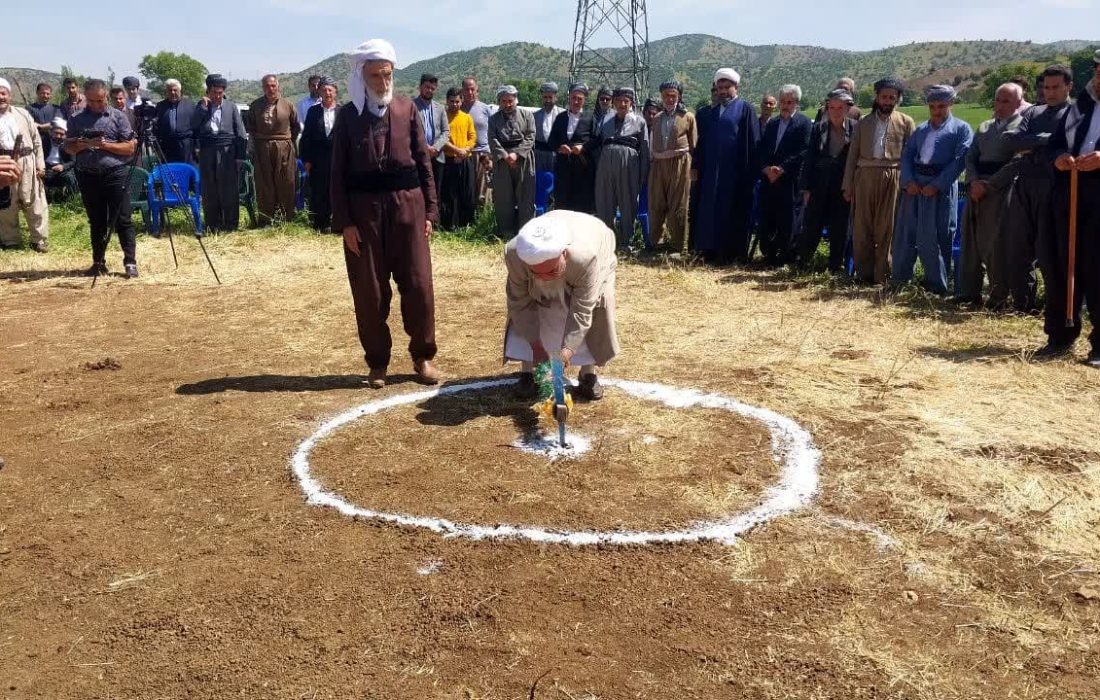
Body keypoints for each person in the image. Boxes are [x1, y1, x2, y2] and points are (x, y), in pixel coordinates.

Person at [332, 39, 441, 388]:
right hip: (364, 217)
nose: (382, 82)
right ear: (362, 77)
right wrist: (346, 222)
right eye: (376, 76)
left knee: (420, 286)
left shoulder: (407, 109)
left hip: (408, 208)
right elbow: (336, 175)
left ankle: (422, 357)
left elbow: (424, 163)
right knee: (370, 292)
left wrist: (431, 211)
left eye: (387, 75)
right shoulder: (348, 117)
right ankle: (377, 363)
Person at [505, 210, 619, 401]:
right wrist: (536, 346)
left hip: (594, 242)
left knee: (598, 306)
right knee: (525, 307)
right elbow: (519, 304)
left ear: (564, 254)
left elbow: (582, 311)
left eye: (551, 271)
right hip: (557, 246)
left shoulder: (586, 258)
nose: (544, 278)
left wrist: (566, 352)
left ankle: (587, 373)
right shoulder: (515, 255)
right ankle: (527, 372)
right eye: (537, 273)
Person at [1038, 51, 1100, 365]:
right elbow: (1054, 145)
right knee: (1061, 265)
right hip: (1069, 194)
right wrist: (1059, 158)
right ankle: (1060, 336)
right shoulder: (1079, 109)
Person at [997, 65, 1075, 312]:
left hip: (1055, 188)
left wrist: (1035, 146)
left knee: (1049, 251)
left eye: (1055, 87)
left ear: (1068, 86)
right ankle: (1023, 305)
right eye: (1045, 87)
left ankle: (1055, 310)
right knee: (1018, 246)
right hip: (1025, 184)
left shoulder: (1076, 114)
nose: (1049, 93)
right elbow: (1011, 141)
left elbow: (1068, 149)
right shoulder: (1034, 112)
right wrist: (1047, 140)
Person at [892, 85, 973, 295]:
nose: (936, 111)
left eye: (941, 106)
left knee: (936, 236)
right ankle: (900, 280)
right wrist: (908, 181)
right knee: (906, 233)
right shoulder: (921, 129)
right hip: (914, 188)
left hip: (940, 188)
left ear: (950, 104)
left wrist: (937, 185)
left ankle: (937, 286)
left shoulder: (961, 129)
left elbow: (960, 160)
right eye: (932, 106)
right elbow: (908, 155)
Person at [955, 83, 1023, 305]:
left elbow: (1016, 162)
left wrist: (989, 185)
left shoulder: (1022, 127)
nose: (1001, 105)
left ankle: (998, 296)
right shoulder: (984, 127)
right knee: (970, 241)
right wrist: (973, 181)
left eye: (1007, 101)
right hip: (975, 190)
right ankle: (968, 293)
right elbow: (971, 157)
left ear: (1018, 103)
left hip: (1000, 192)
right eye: (998, 100)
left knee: (995, 244)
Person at [843, 78, 915, 284]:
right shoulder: (863, 122)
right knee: (862, 227)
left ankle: (882, 276)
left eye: (892, 97)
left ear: (898, 99)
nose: (887, 101)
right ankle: (863, 274)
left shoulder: (906, 122)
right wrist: (847, 185)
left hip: (893, 176)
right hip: (864, 176)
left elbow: (911, 156)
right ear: (877, 97)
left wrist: (908, 183)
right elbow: (852, 155)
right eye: (884, 96)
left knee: (887, 228)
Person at [64, 79, 138, 276]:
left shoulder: (118, 117)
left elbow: (130, 148)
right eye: (91, 101)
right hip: (88, 175)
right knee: (96, 221)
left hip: (115, 174)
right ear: (85, 98)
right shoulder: (76, 118)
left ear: (106, 96)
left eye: (100, 100)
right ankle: (98, 262)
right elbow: (68, 147)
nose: (96, 105)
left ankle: (130, 262)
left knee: (122, 219)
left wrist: (104, 145)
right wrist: (82, 143)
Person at [692, 68, 760, 263]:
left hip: (734, 174)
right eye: (719, 87)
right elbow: (701, 143)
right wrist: (696, 165)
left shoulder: (745, 109)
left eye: (726, 87)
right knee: (709, 210)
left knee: (731, 211)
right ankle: (709, 251)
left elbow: (752, 142)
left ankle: (730, 254)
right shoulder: (710, 113)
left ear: (735, 87)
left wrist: (749, 172)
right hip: (711, 174)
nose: (722, 91)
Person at [798, 88, 859, 271]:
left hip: (843, 185)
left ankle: (835, 265)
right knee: (812, 224)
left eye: (839, 107)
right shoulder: (819, 128)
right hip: (819, 184)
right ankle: (804, 262)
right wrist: (806, 188)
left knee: (839, 227)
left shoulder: (856, 129)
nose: (835, 111)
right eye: (831, 107)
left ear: (848, 109)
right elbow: (809, 159)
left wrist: (853, 187)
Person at [756, 84, 812, 266]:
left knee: (787, 220)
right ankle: (769, 255)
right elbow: (762, 148)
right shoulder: (772, 124)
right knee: (768, 218)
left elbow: (803, 151)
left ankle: (786, 256)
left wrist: (782, 169)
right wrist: (765, 168)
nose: (785, 106)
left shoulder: (803, 123)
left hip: (789, 180)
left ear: (796, 103)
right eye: (783, 102)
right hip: (769, 180)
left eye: (790, 102)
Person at [595, 87, 649, 251]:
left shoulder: (639, 121)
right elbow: (598, 143)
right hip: (606, 163)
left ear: (631, 103)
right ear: (614, 103)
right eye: (618, 101)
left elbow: (645, 149)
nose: (622, 104)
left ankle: (626, 242)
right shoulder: (605, 120)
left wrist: (643, 173)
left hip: (628, 163)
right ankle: (607, 242)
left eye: (626, 101)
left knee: (627, 202)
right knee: (605, 201)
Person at [191, 74, 247, 233]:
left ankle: (231, 225)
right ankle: (212, 225)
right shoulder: (201, 106)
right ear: (208, 92)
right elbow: (193, 125)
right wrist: (202, 107)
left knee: (229, 189)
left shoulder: (231, 106)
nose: (217, 96)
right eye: (214, 92)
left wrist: (240, 156)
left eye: (220, 92)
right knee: (209, 189)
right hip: (207, 150)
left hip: (227, 151)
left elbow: (241, 133)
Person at [648, 80, 697, 255]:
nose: (670, 99)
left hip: (680, 165)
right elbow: (652, 144)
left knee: (679, 204)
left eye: (673, 95)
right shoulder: (657, 118)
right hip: (659, 165)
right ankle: (656, 243)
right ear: (662, 97)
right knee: (656, 203)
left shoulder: (688, 117)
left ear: (679, 96)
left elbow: (693, 145)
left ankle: (677, 245)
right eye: (666, 95)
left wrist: (693, 168)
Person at [0, 78, 49, 253]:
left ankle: (39, 239)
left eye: (3, 93)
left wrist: (40, 165)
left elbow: (37, 141)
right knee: (6, 204)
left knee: (34, 201)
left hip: (27, 162)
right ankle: (10, 240)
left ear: (9, 95)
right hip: (3, 164)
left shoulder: (22, 114)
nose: (0, 97)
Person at [246, 74, 300, 225]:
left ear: (278, 86)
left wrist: (286, 142)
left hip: (284, 148)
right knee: (264, 184)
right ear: (263, 88)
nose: (270, 89)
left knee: (286, 182)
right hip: (262, 148)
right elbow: (251, 128)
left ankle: (285, 219)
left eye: (273, 86)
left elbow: (296, 126)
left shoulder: (288, 105)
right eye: (267, 86)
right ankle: (265, 219)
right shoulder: (255, 105)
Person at [488, 85, 535, 239]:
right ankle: (506, 233)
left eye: (510, 100)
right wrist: (505, 155)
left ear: (516, 100)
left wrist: (517, 154)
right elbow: (492, 139)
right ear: (499, 102)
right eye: (504, 101)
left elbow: (530, 136)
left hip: (523, 159)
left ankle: (525, 233)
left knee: (525, 196)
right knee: (504, 198)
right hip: (502, 161)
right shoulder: (493, 119)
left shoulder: (527, 115)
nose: (507, 104)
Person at [547, 82, 596, 214]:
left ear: (584, 100)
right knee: (562, 203)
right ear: (569, 98)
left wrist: (583, 147)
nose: (576, 101)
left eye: (579, 99)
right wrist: (559, 147)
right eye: (573, 98)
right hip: (563, 167)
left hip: (583, 168)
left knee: (582, 204)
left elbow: (597, 140)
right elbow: (551, 140)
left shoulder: (591, 118)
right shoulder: (561, 117)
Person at [298, 76, 340, 232]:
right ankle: (320, 223)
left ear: (335, 92)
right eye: (324, 89)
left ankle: (337, 222)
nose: (327, 92)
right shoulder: (313, 111)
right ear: (319, 92)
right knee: (318, 190)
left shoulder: (343, 111)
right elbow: (306, 137)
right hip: (318, 159)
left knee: (336, 190)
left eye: (330, 89)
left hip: (337, 159)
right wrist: (306, 160)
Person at [440, 87, 478, 229]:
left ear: (461, 101)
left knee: (467, 193)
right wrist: (457, 151)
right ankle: (449, 226)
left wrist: (465, 150)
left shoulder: (467, 117)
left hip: (465, 160)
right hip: (449, 160)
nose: (454, 104)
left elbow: (473, 137)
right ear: (447, 101)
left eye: (457, 101)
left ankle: (466, 226)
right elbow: (442, 139)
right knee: (449, 195)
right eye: (452, 101)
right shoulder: (443, 117)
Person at [412, 73, 449, 205]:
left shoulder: (440, 108)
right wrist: (424, 147)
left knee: (436, 191)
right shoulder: (411, 106)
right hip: (418, 156)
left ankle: (434, 223)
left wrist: (436, 147)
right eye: (427, 87)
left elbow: (446, 131)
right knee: (419, 190)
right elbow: (408, 131)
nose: (430, 90)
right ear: (420, 87)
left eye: (433, 88)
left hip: (437, 156)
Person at [460, 77, 494, 204]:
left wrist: (491, 155)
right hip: (464, 154)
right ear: (462, 91)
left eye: (472, 89)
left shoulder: (485, 109)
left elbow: (493, 132)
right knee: (467, 189)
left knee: (484, 190)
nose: (470, 92)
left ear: (477, 90)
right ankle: (468, 220)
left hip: (482, 154)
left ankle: (484, 219)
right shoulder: (458, 108)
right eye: (467, 89)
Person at [154, 79, 195, 164]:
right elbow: (157, 126)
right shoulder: (160, 106)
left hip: (185, 145)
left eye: (175, 90)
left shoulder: (189, 105)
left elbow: (196, 126)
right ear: (166, 92)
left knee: (185, 171)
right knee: (169, 171)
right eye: (170, 90)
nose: (172, 92)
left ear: (180, 91)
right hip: (167, 146)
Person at [42, 117, 77, 201]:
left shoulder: (69, 144)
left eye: (61, 134)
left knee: (69, 177)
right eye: (56, 133)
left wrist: (63, 167)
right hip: (45, 167)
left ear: (66, 134)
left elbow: (73, 161)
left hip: (61, 169)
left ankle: (69, 199)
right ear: (51, 132)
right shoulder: (44, 141)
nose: (58, 136)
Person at [533, 81, 563, 175]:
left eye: (550, 97)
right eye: (545, 97)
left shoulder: (563, 115)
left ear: (556, 97)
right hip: (539, 157)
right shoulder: (535, 116)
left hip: (557, 156)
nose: (548, 100)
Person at [28, 83, 59, 163]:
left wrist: (40, 126)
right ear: (37, 93)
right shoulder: (30, 108)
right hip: (35, 145)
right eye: (43, 93)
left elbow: (57, 124)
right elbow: (30, 125)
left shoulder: (55, 108)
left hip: (53, 146)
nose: (45, 95)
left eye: (48, 93)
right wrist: (49, 126)